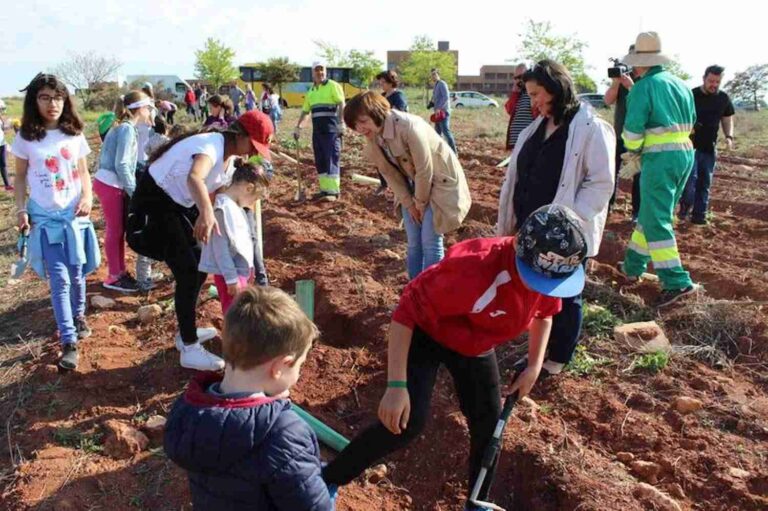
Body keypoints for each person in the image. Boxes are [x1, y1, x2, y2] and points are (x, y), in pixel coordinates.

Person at [323, 205, 588, 511]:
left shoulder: (548, 272)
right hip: (426, 333)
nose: (542, 287)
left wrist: (534, 364)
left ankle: (477, 504)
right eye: (535, 278)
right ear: (518, 246)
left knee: (490, 428)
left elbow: (544, 314)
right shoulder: (471, 268)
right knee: (404, 424)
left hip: (475, 345)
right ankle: (329, 477)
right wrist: (396, 385)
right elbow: (405, 312)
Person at [164, 286, 335, 510]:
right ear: (280, 367)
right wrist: (329, 490)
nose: (299, 373)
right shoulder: (283, 432)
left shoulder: (188, 410)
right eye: (300, 364)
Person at [127, 110, 273, 371]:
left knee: (197, 266)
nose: (252, 152)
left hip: (178, 204)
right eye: (253, 144)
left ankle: (186, 332)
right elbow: (194, 177)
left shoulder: (229, 158)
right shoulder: (211, 146)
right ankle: (190, 347)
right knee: (188, 270)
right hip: (155, 204)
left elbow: (214, 190)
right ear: (239, 134)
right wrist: (205, 212)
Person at [497, 59, 615, 378]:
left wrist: (569, 220)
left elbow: (601, 182)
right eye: (531, 95)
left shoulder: (590, 128)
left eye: (537, 94)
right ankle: (537, 349)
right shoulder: (538, 127)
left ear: (556, 89)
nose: (533, 102)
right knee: (538, 290)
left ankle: (557, 359)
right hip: (531, 225)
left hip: (564, 232)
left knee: (564, 295)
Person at [11, 73, 100, 370]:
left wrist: (88, 197)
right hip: (46, 219)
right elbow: (20, 177)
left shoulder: (73, 133)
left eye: (58, 97)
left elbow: (84, 172)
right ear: (34, 101)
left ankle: (79, 316)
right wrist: (20, 209)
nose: (53, 104)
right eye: (45, 97)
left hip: (75, 216)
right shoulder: (24, 138)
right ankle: (68, 340)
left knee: (77, 274)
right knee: (59, 279)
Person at [345, 91, 471, 279]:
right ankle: (414, 292)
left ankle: (431, 293)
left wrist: (419, 203)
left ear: (376, 112)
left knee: (430, 241)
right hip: (412, 185)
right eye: (355, 125)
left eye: (363, 121)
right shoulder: (374, 137)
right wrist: (409, 204)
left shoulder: (408, 126)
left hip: (439, 182)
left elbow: (424, 169)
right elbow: (389, 174)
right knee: (413, 243)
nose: (360, 128)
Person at [618, 32, 699, 307]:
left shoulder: (643, 87)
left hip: (659, 159)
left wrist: (632, 152)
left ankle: (676, 282)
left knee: (656, 220)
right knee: (653, 214)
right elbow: (692, 121)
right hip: (685, 155)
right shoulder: (681, 85)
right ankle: (632, 267)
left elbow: (632, 133)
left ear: (640, 63)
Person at [93, 91, 155, 293]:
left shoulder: (124, 127)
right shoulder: (127, 129)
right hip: (111, 183)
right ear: (140, 108)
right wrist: (135, 191)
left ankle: (119, 272)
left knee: (118, 230)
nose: (149, 112)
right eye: (148, 108)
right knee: (115, 230)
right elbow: (121, 164)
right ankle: (113, 276)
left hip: (110, 183)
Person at [199, 161, 270, 314]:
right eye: (255, 198)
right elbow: (220, 248)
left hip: (239, 274)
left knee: (240, 314)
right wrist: (231, 278)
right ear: (249, 188)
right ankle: (231, 338)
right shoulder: (222, 210)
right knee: (234, 315)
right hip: (231, 276)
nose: (254, 203)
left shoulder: (235, 207)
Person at [678, 65, 735, 224]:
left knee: (705, 183)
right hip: (690, 146)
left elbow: (727, 118)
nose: (714, 84)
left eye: (717, 81)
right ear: (704, 78)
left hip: (709, 148)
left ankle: (699, 217)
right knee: (690, 182)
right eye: (711, 81)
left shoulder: (723, 98)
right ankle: (684, 211)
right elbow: (680, 116)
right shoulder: (692, 95)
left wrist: (729, 136)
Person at [293, 62, 346, 202]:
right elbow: (306, 112)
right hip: (317, 132)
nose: (320, 73)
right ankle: (325, 190)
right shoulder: (311, 91)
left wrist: (341, 123)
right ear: (313, 73)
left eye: (322, 70)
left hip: (331, 131)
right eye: (317, 71)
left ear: (325, 71)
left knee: (331, 158)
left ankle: (333, 192)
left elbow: (341, 104)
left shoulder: (333, 86)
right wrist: (298, 127)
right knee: (320, 160)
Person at [605, 45, 642, 220]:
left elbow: (644, 102)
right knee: (612, 172)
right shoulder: (622, 76)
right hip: (620, 135)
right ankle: (608, 207)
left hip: (640, 137)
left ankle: (637, 212)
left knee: (639, 176)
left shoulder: (646, 80)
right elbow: (608, 100)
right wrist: (616, 83)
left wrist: (631, 86)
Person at [373, 70, 409, 194]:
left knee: (397, 160)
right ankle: (384, 184)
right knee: (381, 158)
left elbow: (400, 112)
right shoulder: (381, 97)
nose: (381, 84)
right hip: (382, 133)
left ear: (391, 82)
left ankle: (405, 186)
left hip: (395, 133)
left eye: (383, 82)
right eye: (380, 82)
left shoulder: (398, 96)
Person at [504, 63, 537, 152]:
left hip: (529, 140)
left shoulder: (533, 94)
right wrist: (515, 93)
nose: (519, 80)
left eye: (521, 76)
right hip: (515, 140)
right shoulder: (517, 95)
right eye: (516, 78)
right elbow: (509, 110)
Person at [429, 68, 458, 155]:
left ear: (438, 74)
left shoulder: (442, 84)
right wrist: (431, 103)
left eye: (434, 74)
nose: (433, 76)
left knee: (446, 131)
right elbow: (435, 97)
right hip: (437, 112)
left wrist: (439, 108)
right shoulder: (436, 85)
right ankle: (439, 152)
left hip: (443, 112)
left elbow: (446, 97)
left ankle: (454, 152)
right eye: (432, 75)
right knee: (437, 133)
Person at [0, 99, 14, 190]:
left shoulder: (1, 118)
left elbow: (3, 130)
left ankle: (7, 184)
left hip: (2, 143)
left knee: (3, 164)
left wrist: (10, 125)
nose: (1, 111)